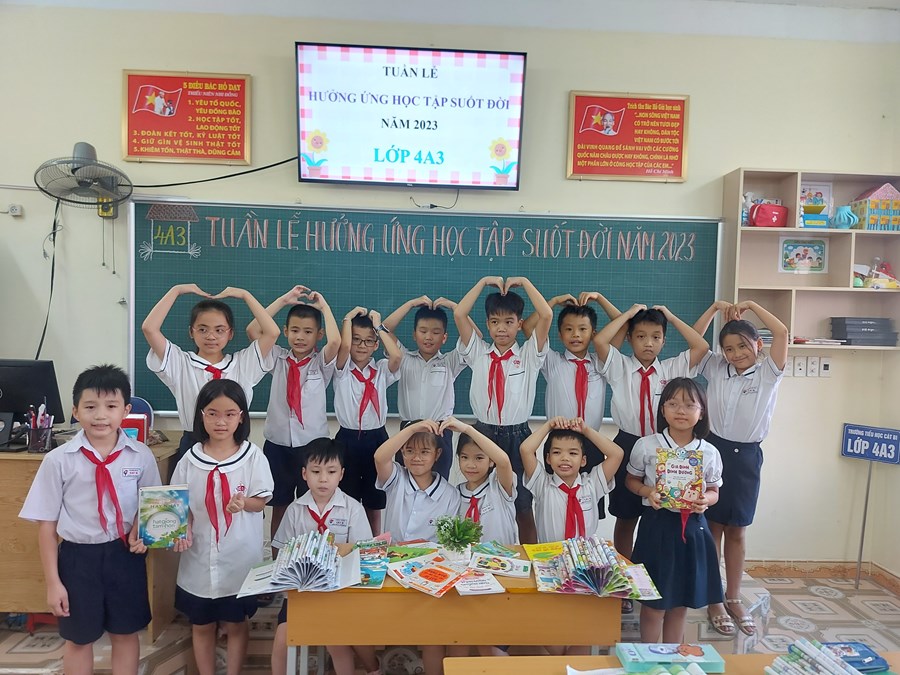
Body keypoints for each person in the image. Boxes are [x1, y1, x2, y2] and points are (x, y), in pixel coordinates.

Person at [19, 364, 162, 675]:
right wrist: (53, 583)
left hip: (124, 556)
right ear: (75, 411)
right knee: (79, 639)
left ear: (126, 411)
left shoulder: (141, 455)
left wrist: (142, 532)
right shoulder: (58, 460)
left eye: (111, 406)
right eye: (90, 406)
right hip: (77, 560)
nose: (100, 415)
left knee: (126, 633)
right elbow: (46, 526)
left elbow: (151, 507)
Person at [692, 299, 788, 637]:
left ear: (758, 345)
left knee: (737, 529)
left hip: (746, 457)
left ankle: (733, 597)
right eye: (729, 349)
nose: (735, 354)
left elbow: (782, 332)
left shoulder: (768, 372)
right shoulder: (717, 368)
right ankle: (713, 599)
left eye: (743, 346)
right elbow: (695, 340)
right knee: (712, 528)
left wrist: (751, 305)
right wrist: (712, 310)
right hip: (713, 451)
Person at [171, 379, 274, 675]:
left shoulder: (252, 456)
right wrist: (182, 529)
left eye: (229, 414)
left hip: (238, 558)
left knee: (236, 622)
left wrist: (244, 503)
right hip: (198, 557)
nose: (220, 421)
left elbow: (261, 500)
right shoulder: (190, 459)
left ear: (241, 417)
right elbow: (179, 504)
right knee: (201, 624)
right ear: (201, 415)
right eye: (213, 413)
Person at [592, 304, 708, 562]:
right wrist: (628, 314)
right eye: (641, 336)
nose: (648, 343)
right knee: (626, 516)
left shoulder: (671, 369)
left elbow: (701, 346)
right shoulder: (619, 366)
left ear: (664, 340)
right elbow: (600, 341)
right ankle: (626, 573)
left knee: (660, 515)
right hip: (627, 443)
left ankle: (655, 570)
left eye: (656, 337)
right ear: (630, 338)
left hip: (664, 446)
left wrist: (671, 316)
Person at [454, 276, 553, 544]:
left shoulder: (530, 355)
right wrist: (482, 283)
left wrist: (527, 282)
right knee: (480, 500)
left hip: (517, 437)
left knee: (523, 506)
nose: (501, 328)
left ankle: (529, 559)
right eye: (495, 322)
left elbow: (546, 314)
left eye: (509, 322)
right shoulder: (478, 353)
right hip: (482, 434)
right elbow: (459, 314)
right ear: (487, 324)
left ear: (519, 324)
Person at [625, 378, 723, 643]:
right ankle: (648, 655)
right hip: (656, 527)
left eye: (690, 405)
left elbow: (714, 491)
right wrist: (648, 492)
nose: (681, 411)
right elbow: (631, 480)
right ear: (662, 409)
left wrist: (705, 500)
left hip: (692, 530)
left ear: (701, 412)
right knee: (653, 605)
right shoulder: (646, 445)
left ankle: (670, 657)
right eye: (673, 404)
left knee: (680, 604)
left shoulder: (709, 452)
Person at [270, 438, 379, 675]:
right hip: (301, 594)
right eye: (315, 471)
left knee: (336, 642)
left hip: (339, 593)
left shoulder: (353, 509)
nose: (323, 479)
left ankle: (373, 669)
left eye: (331, 472)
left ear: (341, 474)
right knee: (281, 640)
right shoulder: (295, 510)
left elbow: (363, 552)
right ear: (304, 474)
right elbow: (282, 551)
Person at [142, 284, 280, 470]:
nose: (211, 336)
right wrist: (176, 290)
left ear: (230, 333)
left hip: (234, 444)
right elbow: (149, 328)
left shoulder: (243, 364)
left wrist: (245, 295)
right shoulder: (180, 363)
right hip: (194, 442)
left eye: (219, 330)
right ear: (191, 332)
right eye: (202, 329)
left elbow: (272, 332)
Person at [246, 285, 340, 539]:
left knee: (313, 505)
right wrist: (282, 300)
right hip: (277, 444)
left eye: (308, 332)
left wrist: (324, 307)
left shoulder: (321, 363)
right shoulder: (277, 357)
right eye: (295, 330)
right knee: (280, 504)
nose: (300, 337)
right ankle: (278, 554)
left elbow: (335, 341)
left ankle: (310, 551)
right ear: (285, 331)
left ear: (318, 334)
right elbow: (253, 330)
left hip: (312, 446)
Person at [522, 290, 624, 513]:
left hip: (591, 442)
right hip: (559, 445)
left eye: (582, 329)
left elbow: (623, 324)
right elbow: (528, 327)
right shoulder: (552, 361)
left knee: (588, 506)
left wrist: (600, 298)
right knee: (554, 505)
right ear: (559, 335)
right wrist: (553, 301)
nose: (575, 335)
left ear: (594, 333)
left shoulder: (601, 362)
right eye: (568, 329)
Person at [374, 420, 461, 675]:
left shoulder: (450, 494)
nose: (416, 458)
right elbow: (380, 456)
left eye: (424, 452)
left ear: (438, 454)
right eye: (409, 451)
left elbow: (447, 543)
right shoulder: (397, 478)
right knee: (383, 624)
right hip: (392, 569)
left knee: (432, 634)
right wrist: (412, 429)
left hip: (430, 573)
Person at [381, 295, 476, 478]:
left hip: (440, 432)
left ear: (444, 337)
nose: (428, 337)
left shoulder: (449, 361)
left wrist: (455, 307)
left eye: (436, 332)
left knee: (439, 486)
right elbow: (383, 329)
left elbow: (474, 338)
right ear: (414, 334)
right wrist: (410, 303)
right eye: (423, 331)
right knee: (405, 484)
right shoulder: (403, 358)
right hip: (408, 431)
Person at [333, 306, 402, 534]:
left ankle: (375, 544)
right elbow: (343, 346)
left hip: (377, 439)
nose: (361, 345)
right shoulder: (341, 369)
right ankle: (350, 544)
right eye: (356, 339)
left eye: (368, 341)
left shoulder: (381, 370)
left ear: (376, 344)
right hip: (347, 439)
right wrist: (347, 318)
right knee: (347, 498)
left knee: (375, 500)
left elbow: (397, 356)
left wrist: (379, 326)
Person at [519, 416, 623, 544]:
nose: (565, 458)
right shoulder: (542, 484)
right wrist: (548, 426)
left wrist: (586, 430)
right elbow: (525, 450)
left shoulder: (592, 484)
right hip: (551, 553)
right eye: (557, 452)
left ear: (583, 460)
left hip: (586, 554)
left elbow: (617, 454)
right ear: (548, 459)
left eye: (572, 453)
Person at [446, 416, 517, 544]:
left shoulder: (498, 486)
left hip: (501, 555)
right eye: (464, 457)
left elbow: (504, 461)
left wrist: (468, 429)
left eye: (479, 458)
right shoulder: (455, 494)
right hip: (468, 556)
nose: (471, 465)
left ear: (491, 460)